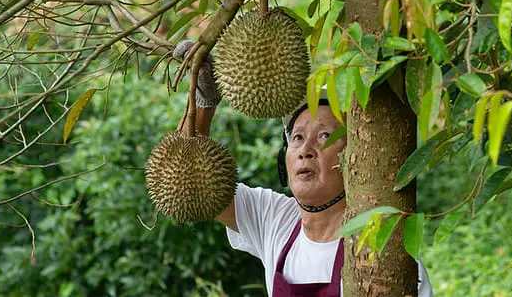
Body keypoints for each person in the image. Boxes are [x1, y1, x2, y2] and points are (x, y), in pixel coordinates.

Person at [174, 41, 432, 297]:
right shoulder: (275, 219)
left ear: (353, 158)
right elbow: (188, 183)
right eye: (297, 137)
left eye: (324, 136)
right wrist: (203, 102)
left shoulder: (386, 254)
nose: (305, 149)